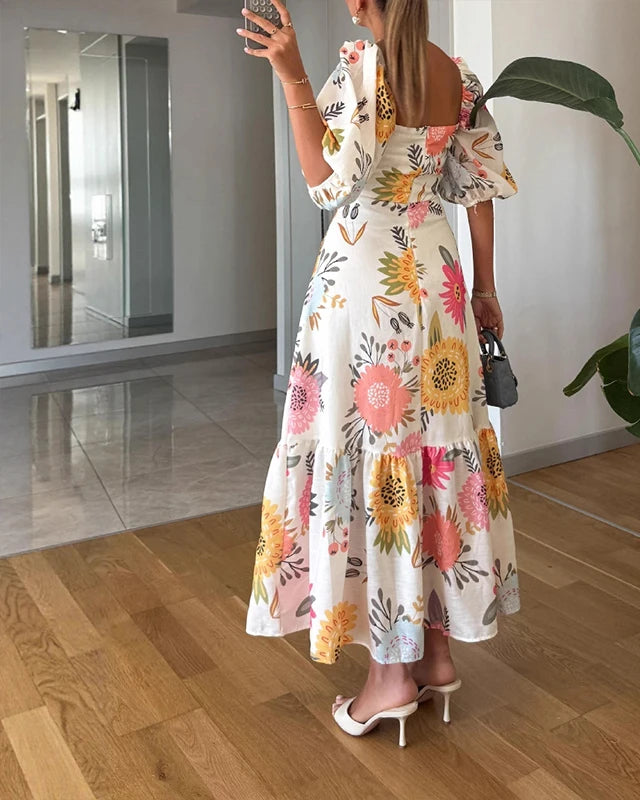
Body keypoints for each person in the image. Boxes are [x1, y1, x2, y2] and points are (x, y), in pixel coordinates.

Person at [238, 0, 520, 747]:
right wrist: (487, 289)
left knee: (373, 451)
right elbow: (479, 187)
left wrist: (292, 74)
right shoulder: (459, 78)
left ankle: (389, 677)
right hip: (439, 285)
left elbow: (329, 184)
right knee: (430, 455)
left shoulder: (364, 70)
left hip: (365, 288)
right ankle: (433, 653)